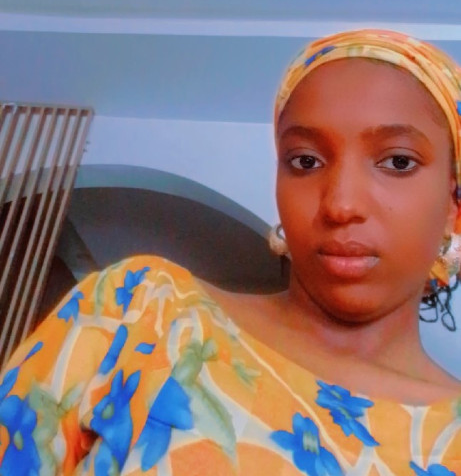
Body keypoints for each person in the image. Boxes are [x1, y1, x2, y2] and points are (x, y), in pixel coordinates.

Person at [0, 28, 460, 476]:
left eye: (398, 162)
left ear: (453, 208)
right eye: (305, 161)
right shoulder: (142, 310)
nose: (340, 205)